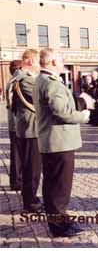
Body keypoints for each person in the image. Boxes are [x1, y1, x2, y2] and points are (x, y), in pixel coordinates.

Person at [33, 48, 91, 237]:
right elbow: (62, 112)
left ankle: (59, 221)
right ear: (52, 62)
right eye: (60, 59)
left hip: (53, 141)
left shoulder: (42, 79)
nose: (63, 61)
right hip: (59, 142)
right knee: (59, 187)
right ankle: (59, 226)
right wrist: (83, 115)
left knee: (53, 185)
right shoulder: (52, 83)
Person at [12, 49, 43, 212]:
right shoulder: (25, 79)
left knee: (32, 167)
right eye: (37, 62)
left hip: (29, 127)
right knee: (32, 168)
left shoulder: (21, 76)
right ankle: (31, 203)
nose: (39, 65)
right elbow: (40, 98)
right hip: (31, 128)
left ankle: (31, 199)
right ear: (30, 61)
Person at [5, 60, 23, 191]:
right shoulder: (16, 81)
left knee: (16, 153)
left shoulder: (12, 80)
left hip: (14, 123)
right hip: (17, 124)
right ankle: (16, 181)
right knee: (17, 154)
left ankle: (16, 180)